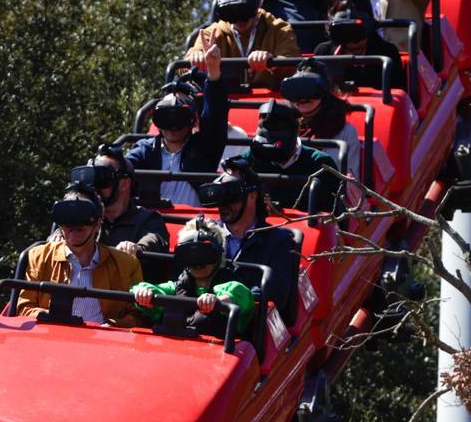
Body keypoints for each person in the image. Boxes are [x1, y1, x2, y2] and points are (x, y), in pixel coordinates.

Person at [15, 184, 144, 326]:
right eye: (68, 215)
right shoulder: (38, 257)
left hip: (104, 342)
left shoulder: (126, 264)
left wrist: (113, 325)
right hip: (52, 336)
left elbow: (138, 315)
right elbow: (24, 307)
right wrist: (50, 317)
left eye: (83, 214)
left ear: (98, 223)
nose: (74, 224)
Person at [196, 158, 301, 325]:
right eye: (221, 194)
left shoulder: (278, 242)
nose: (224, 204)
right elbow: (182, 281)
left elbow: (275, 294)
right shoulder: (204, 234)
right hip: (200, 323)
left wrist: (233, 299)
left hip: (246, 331)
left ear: (253, 196)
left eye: (232, 194)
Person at [126, 43, 228, 206]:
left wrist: (213, 72)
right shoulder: (146, 150)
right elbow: (123, 165)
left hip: (193, 226)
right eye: (165, 118)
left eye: (180, 118)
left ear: (193, 119)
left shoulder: (204, 148)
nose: (173, 127)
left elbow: (216, 114)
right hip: (151, 223)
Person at [131, 217, 255, 338]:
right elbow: (143, 288)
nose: (197, 262)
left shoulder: (230, 285)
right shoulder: (177, 286)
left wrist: (218, 301)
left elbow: (240, 295)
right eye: (189, 254)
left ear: (218, 254)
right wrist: (144, 292)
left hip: (218, 353)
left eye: (204, 254)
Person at [187, 0, 300, 89]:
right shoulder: (211, 34)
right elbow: (183, 69)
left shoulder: (279, 29)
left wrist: (272, 62)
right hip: (222, 102)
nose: (239, 16)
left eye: (245, 6)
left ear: (259, 0)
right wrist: (196, 58)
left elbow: (294, 67)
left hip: (271, 103)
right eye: (231, 7)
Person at [68, 146, 169, 279]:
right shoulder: (80, 215)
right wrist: (59, 235)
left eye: (102, 179)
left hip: (124, 293)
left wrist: (137, 248)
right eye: (91, 179)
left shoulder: (148, 220)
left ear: (124, 184)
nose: (93, 187)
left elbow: (154, 239)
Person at [239, 100, 344, 215]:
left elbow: (333, 219)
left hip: (307, 230)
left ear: (296, 131)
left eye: (278, 128)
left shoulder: (320, 164)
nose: (269, 138)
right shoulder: (247, 161)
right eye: (264, 127)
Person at [280, 58, 363, 182]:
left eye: (310, 89)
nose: (303, 98)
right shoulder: (278, 126)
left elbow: (350, 182)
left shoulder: (346, 133)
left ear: (324, 92)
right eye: (296, 89)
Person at [313, 0, 406, 91]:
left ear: (369, 26)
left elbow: (397, 95)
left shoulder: (387, 53)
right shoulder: (324, 52)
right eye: (344, 32)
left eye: (357, 32)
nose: (352, 41)